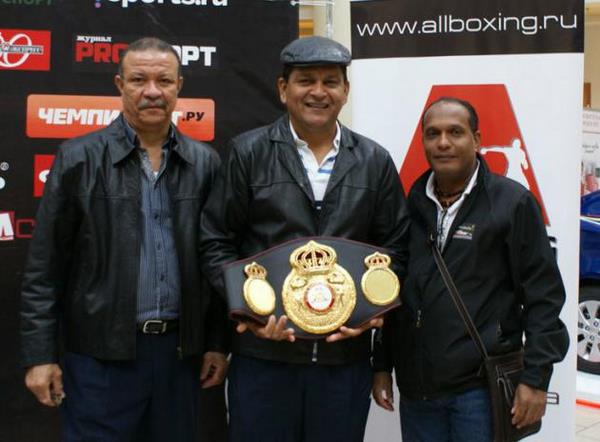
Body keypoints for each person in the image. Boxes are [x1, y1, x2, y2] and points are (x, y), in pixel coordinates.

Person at [199, 36, 409, 442]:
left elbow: (395, 248)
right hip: (264, 358)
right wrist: (250, 312)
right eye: (306, 80)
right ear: (283, 89)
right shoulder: (247, 152)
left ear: (345, 91)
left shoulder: (374, 160)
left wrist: (366, 312)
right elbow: (215, 241)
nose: (318, 92)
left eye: (330, 81)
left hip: (343, 361)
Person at [20, 37, 228, 441]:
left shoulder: (205, 163)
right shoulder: (79, 158)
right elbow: (44, 267)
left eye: (163, 81)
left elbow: (215, 262)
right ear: (119, 84)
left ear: (179, 86)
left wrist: (217, 343)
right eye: (138, 80)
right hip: (100, 357)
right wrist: (39, 355)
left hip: (179, 357)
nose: (152, 91)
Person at [372, 97, 569, 441]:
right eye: (433, 134)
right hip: (417, 393)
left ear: (476, 140)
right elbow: (397, 292)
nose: (443, 142)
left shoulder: (512, 204)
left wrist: (536, 378)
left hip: (479, 392)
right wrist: (381, 365)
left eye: (455, 132)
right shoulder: (410, 206)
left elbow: (544, 296)